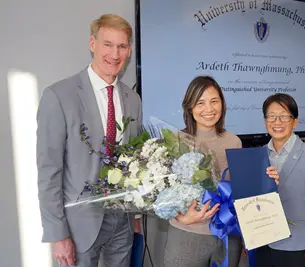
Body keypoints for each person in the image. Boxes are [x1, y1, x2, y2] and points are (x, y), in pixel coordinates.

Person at [36, 14, 142, 267]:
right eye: (108, 44)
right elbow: (49, 170)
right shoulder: (59, 96)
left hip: (122, 221)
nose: (114, 54)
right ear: (92, 44)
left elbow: (136, 161)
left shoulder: (132, 99)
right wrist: (57, 233)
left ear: (129, 50)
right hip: (79, 226)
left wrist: (135, 214)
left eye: (122, 46)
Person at [163, 76, 279, 267]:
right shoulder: (175, 141)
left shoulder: (234, 141)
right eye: (200, 103)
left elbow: (241, 191)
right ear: (189, 107)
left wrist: (268, 182)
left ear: (222, 105)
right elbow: (160, 193)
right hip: (187, 234)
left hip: (227, 236)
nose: (209, 109)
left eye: (214, 101)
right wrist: (181, 216)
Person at [255, 93, 305, 267]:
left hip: (296, 247)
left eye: (284, 116)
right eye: (271, 117)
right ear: (265, 121)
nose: (277, 122)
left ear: (295, 121)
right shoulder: (258, 155)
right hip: (263, 244)